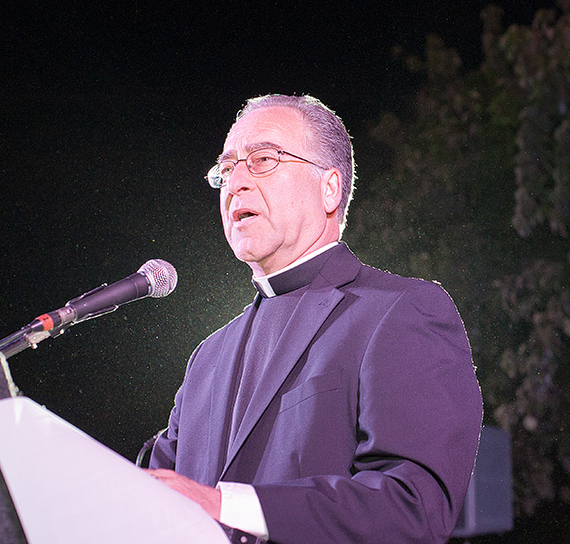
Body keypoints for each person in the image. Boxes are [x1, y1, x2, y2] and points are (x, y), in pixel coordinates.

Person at [147, 94, 483, 543]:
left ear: (330, 188)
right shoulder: (207, 359)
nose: (236, 183)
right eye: (226, 170)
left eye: (262, 160)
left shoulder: (399, 311)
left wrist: (229, 506)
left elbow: (411, 507)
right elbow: (148, 498)